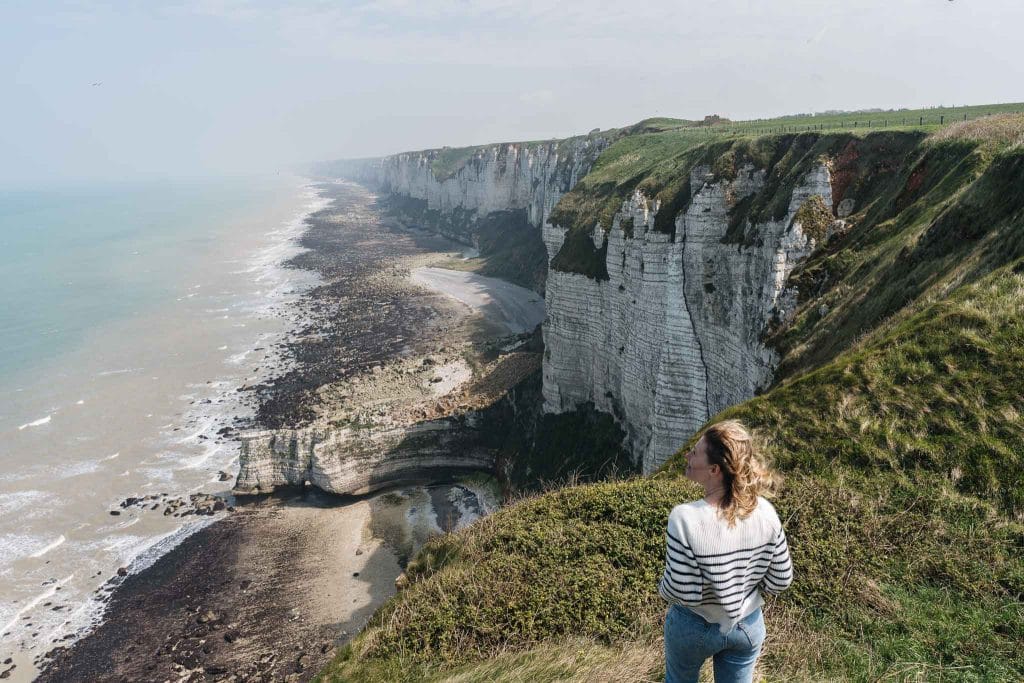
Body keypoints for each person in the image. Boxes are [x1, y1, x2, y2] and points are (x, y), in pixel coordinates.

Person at [659, 420, 793, 683]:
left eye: (695, 452)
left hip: (693, 625)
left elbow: (679, 590)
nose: (687, 455)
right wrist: (742, 584)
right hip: (746, 626)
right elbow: (781, 581)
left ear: (714, 469)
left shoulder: (684, 518)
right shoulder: (766, 512)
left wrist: (662, 588)